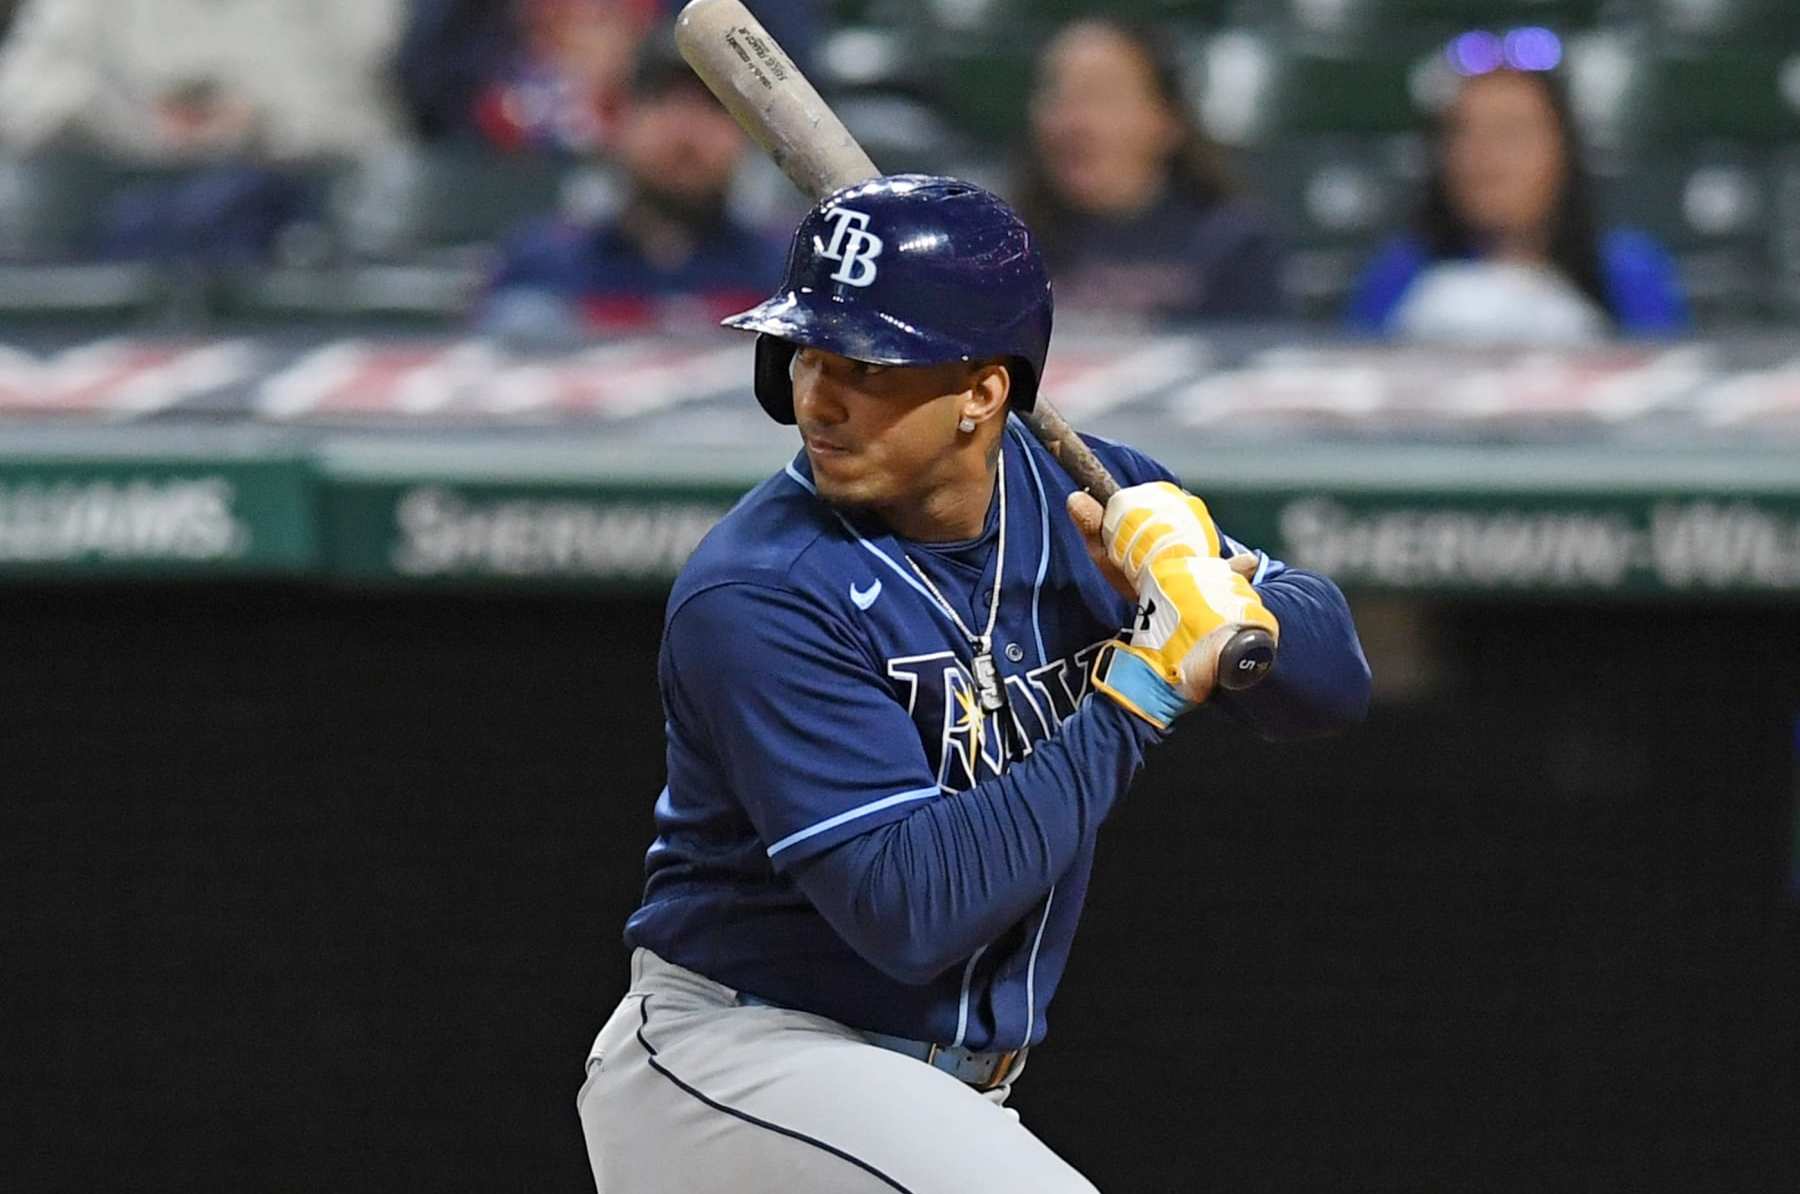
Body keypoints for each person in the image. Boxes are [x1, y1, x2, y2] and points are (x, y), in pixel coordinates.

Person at [574, 175, 1371, 1192]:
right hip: (746, 1060)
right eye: (807, 354)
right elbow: (913, 907)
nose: (818, 397)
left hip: (947, 1092)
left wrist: (1219, 590)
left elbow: (1333, 687)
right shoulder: (759, 589)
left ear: (982, 392)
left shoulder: (1089, 500)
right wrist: (1143, 691)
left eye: (865, 364)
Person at [1346, 65, 1689, 343]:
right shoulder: (1399, 274)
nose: (1483, 157)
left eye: (1510, 134)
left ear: (1563, 150)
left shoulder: (1626, 271)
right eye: (1462, 133)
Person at [478, 37, 785, 337]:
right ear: (614, 120)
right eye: (659, 100)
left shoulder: (792, 275)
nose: (686, 131)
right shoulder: (542, 266)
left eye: (714, 105)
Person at [1013, 17, 1285, 325]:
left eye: (1101, 97)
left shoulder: (1232, 245)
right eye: (1058, 97)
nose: (1073, 123)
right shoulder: (1001, 245)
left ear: (1168, 121)